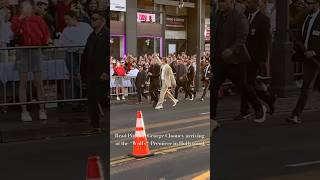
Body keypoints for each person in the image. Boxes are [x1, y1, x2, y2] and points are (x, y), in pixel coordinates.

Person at [211, 0, 267, 123]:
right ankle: (211, 117)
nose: (221, 4)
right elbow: (214, 37)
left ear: (231, 2)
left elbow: (242, 36)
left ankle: (259, 107)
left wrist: (232, 49)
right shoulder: (216, 17)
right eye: (220, 2)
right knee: (214, 87)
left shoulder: (238, 17)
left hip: (234, 60)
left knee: (243, 86)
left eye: (224, 2)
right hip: (219, 60)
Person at [234, 0, 276, 120]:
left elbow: (265, 42)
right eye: (247, 3)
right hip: (243, 56)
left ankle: (245, 110)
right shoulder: (243, 17)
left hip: (255, 58)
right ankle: (268, 99)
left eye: (251, 3)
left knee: (246, 83)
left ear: (257, 4)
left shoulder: (263, 19)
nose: (248, 5)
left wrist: (263, 59)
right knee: (246, 84)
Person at [11, 0, 50, 122]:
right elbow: (14, 30)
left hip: (35, 50)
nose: (26, 8)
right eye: (23, 7)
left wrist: (44, 43)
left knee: (38, 82)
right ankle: (24, 111)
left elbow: (45, 34)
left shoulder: (38, 19)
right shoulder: (16, 19)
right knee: (23, 82)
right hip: (22, 51)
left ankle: (42, 109)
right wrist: (21, 18)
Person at [287, 0, 320, 124]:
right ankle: (296, 115)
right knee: (307, 87)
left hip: (316, 58)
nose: (306, 5)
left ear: (317, 3)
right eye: (306, 3)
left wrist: (315, 52)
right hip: (308, 59)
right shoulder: (306, 17)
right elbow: (296, 29)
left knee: (306, 88)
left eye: (309, 3)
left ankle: (296, 114)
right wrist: (297, 52)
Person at [80, 10, 108, 133]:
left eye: (95, 19)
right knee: (91, 99)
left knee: (101, 97)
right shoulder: (92, 36)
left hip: (102, 73)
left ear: (102, 20)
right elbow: (86, 55)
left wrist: (106, 71)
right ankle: (95, 126)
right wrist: (82, 71)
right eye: (91, 19)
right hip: (91, 72)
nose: (92, 21)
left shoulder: (107, 35)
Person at [58, 10, 93, 100]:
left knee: (85, 75)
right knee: (75, 76)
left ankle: (85, 96)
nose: (66, 22)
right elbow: (64, 44)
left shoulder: (85, 26)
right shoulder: (66, 30)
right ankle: (78, 98)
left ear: (74, 18)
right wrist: (76, 48)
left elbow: (90, 39)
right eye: (65, 20)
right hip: (72, 55)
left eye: (68, 19)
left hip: (85, 55)